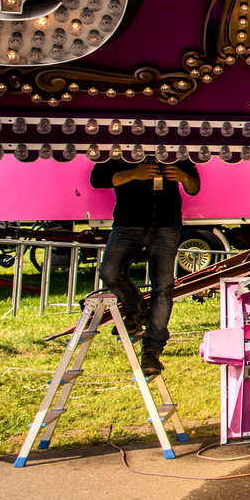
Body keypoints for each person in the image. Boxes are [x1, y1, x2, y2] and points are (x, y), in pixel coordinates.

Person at [89, 156, 200, 378]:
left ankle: (152, 350)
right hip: (127, 223)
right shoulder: (121, 151)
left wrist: (183, 177)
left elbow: (194, 187)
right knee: (109, 272)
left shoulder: (174, 151)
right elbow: (97, 179)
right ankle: (136, 308)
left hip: (166, 224)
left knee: (163, 288)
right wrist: (133, 174)